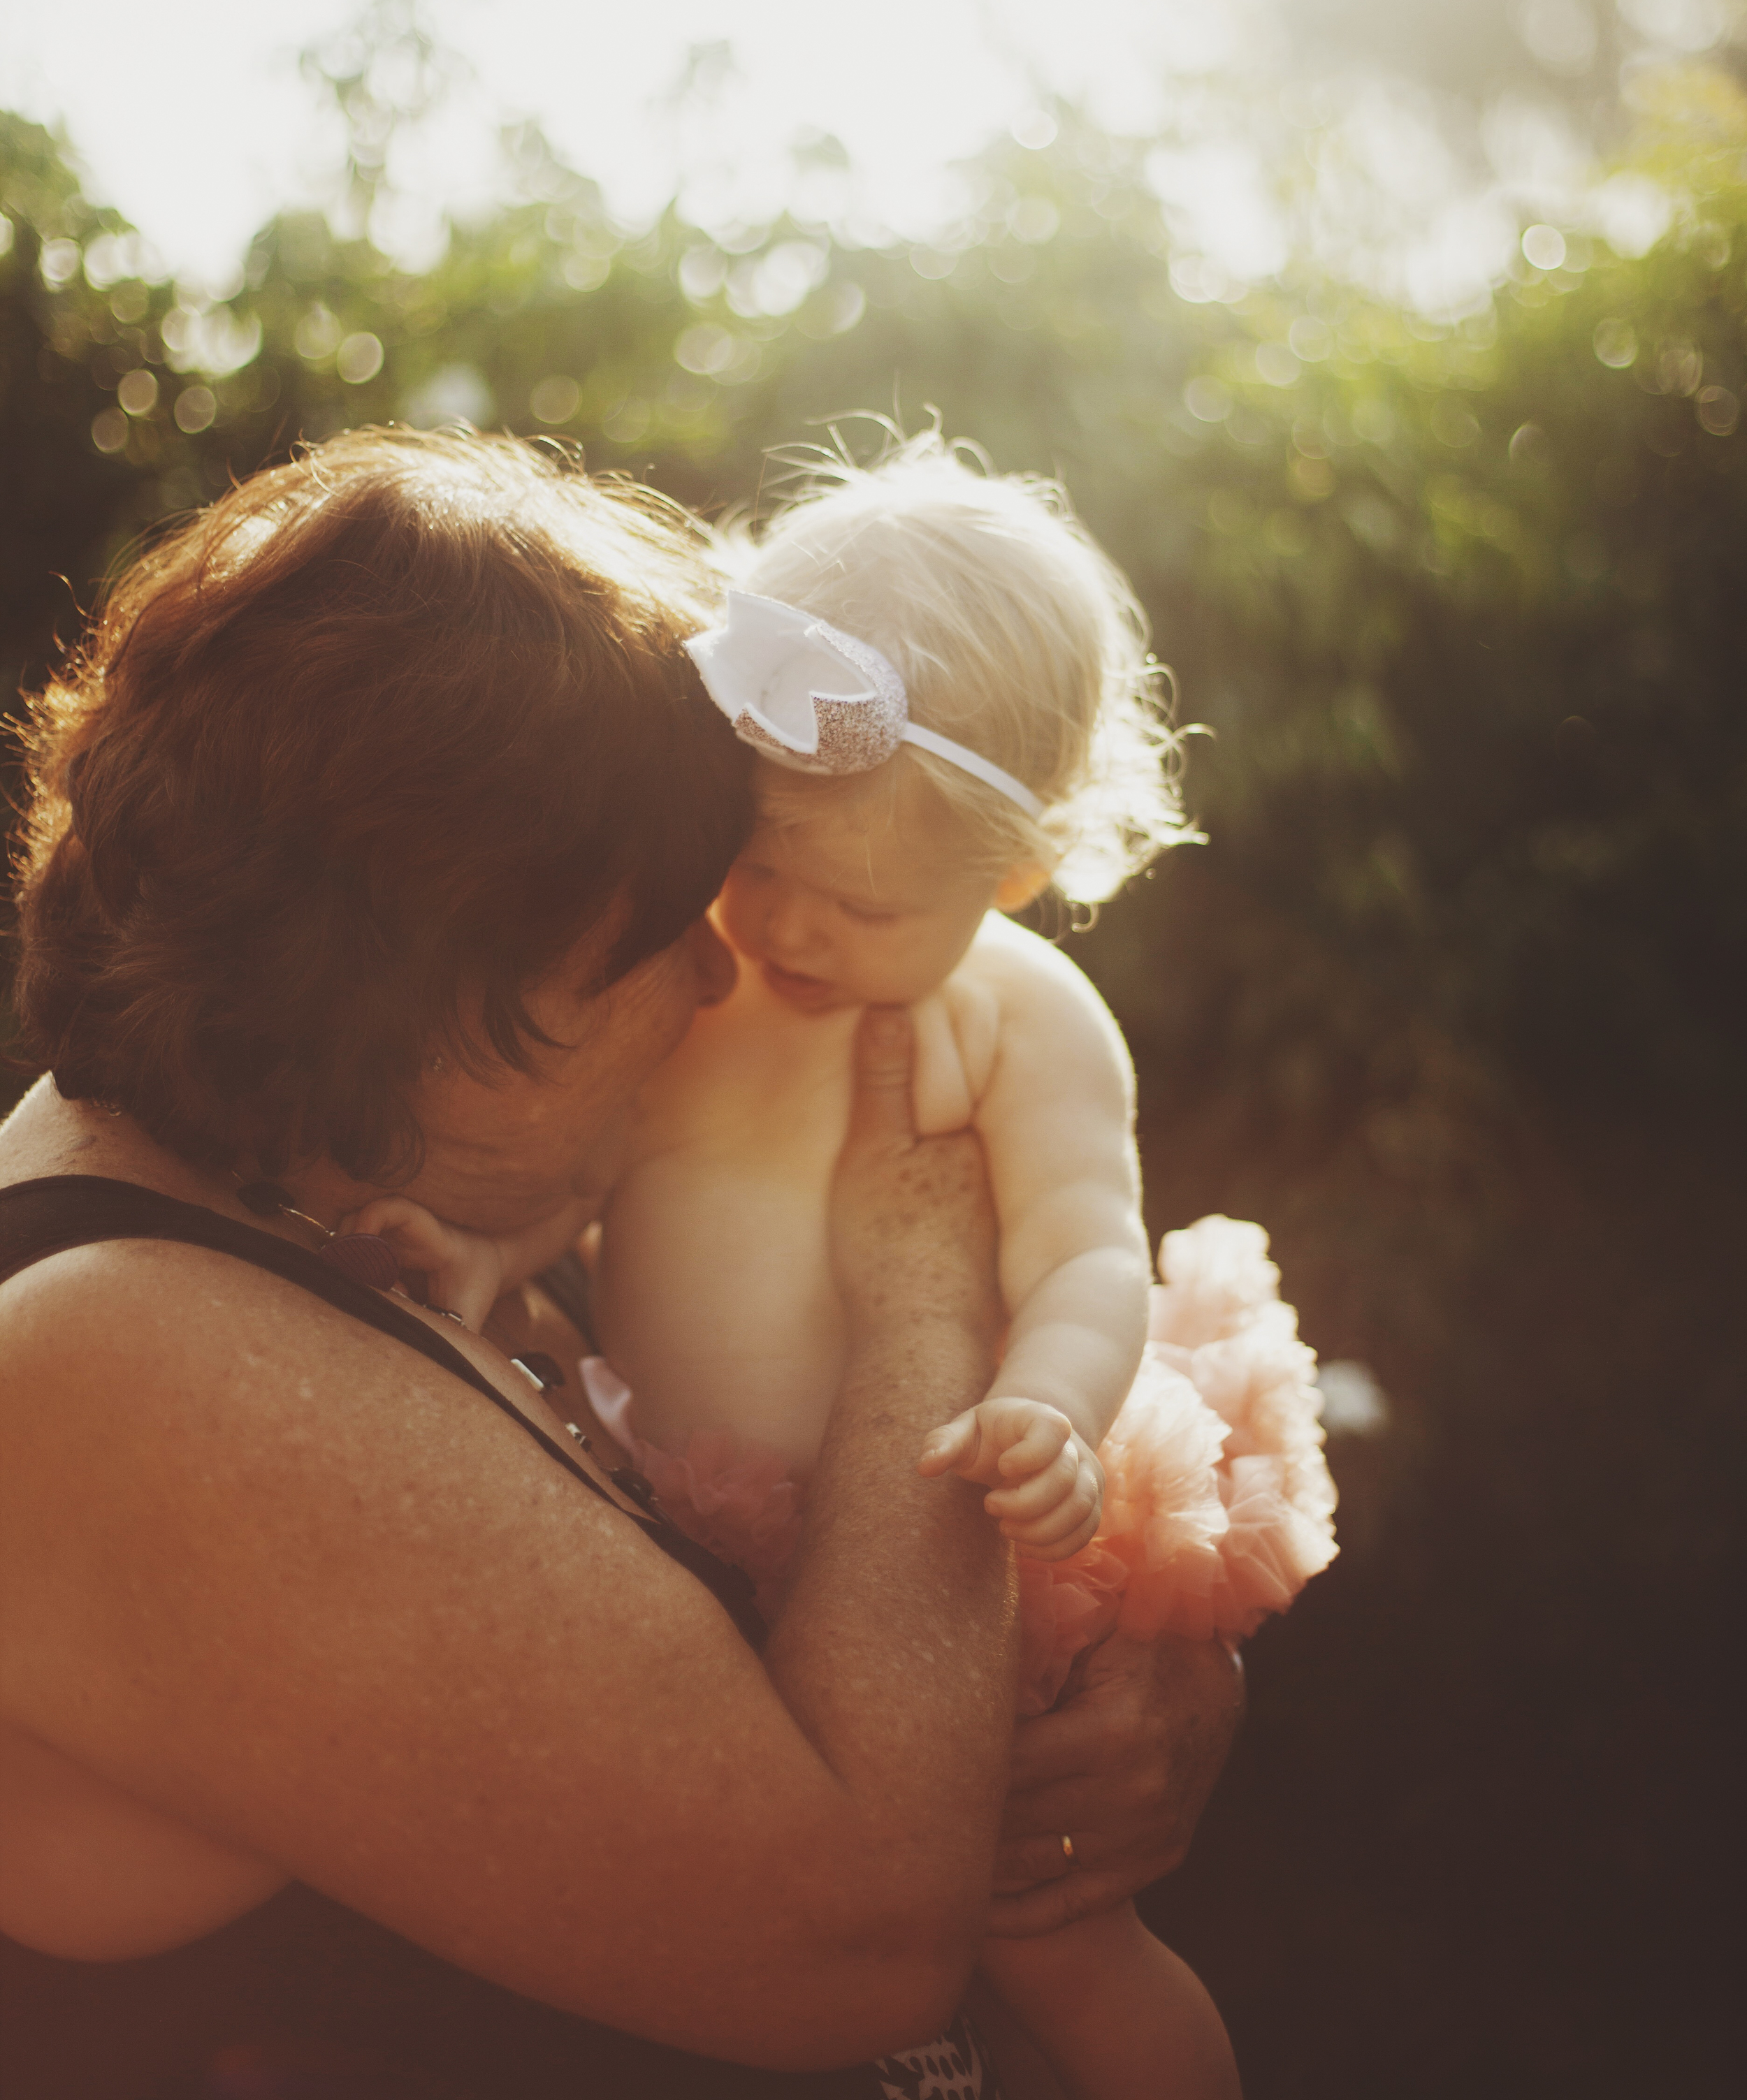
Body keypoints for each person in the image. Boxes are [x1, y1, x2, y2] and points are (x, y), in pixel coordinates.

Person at [0, 427, 1244, 2100]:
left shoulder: (379, 1200)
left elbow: (747, 1625)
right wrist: (927, 1283)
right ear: (455, 978)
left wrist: (1121, 1691)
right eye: (676, 926)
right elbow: (860, 1933)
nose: (726, 989)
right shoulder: (113, 1355)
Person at [374, 439, 1337, 2100]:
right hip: (706, 1532)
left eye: (864, 907)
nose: (796, 933)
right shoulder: (696, 978)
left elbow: (1086, 1250)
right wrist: (480, 1254)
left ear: (1011, 877)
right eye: (763, 870)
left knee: (1035, 1929)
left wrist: (1046, 1404)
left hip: (955, 1514)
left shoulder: (1013, 1016)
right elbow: (596, 1177)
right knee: (749, 1916)